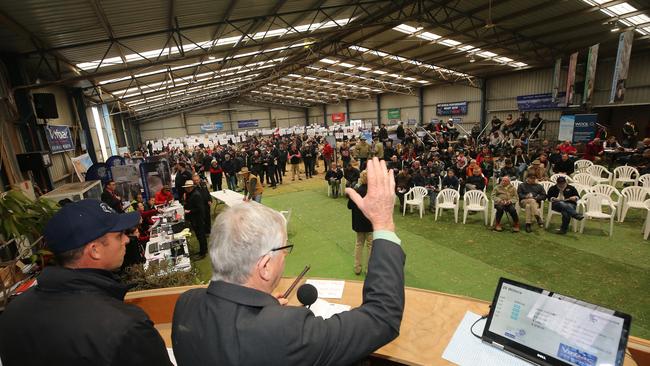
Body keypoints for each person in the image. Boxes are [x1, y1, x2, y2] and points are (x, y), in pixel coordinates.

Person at [171, 157, 405, 365]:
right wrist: (383, 223)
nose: (285, 256)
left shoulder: (186, 304)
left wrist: (265, 308)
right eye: (284, 249)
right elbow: (381, 317)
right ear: (265, 266)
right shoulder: (285, 330)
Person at [0, 199, 171, 366]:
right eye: (119, 235)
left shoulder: (12, 313)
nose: (126, 240)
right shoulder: (126, 327)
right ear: (95, 250)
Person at [347, 170, 373, 275]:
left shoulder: (356, 191)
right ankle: (368, 269)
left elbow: (349, 206)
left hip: (358, 223)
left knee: (359, 244)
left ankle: (357, 268)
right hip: (370, 223)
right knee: (370, 246)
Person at [183, 180, 208, 257]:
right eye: (186, 187)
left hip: (198, 218)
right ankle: (204, 250)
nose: (186, 189)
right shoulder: (190, 194)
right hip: (195, 218)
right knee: (200, 235)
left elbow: (200, 208)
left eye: (188, 187)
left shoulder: (195, 195)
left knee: (200, 235)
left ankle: (202, 253)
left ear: (191, 187)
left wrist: (189, 211)